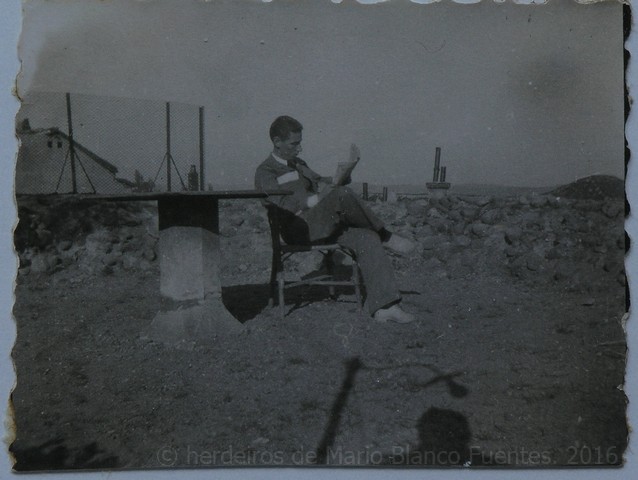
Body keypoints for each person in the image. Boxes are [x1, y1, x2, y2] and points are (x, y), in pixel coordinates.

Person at [255, 115, 415, 323]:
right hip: (297, 229)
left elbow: (322, 182)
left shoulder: (299, 164)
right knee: (342, 195)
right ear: (277, 142)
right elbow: (281, 204)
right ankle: (385, 235)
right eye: (294, 144)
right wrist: (318, 198)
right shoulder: (266, 171)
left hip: (322, 223)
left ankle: (386, 307)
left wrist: (343, 174)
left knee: (367, 237)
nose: (299, 149)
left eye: (300, 143)